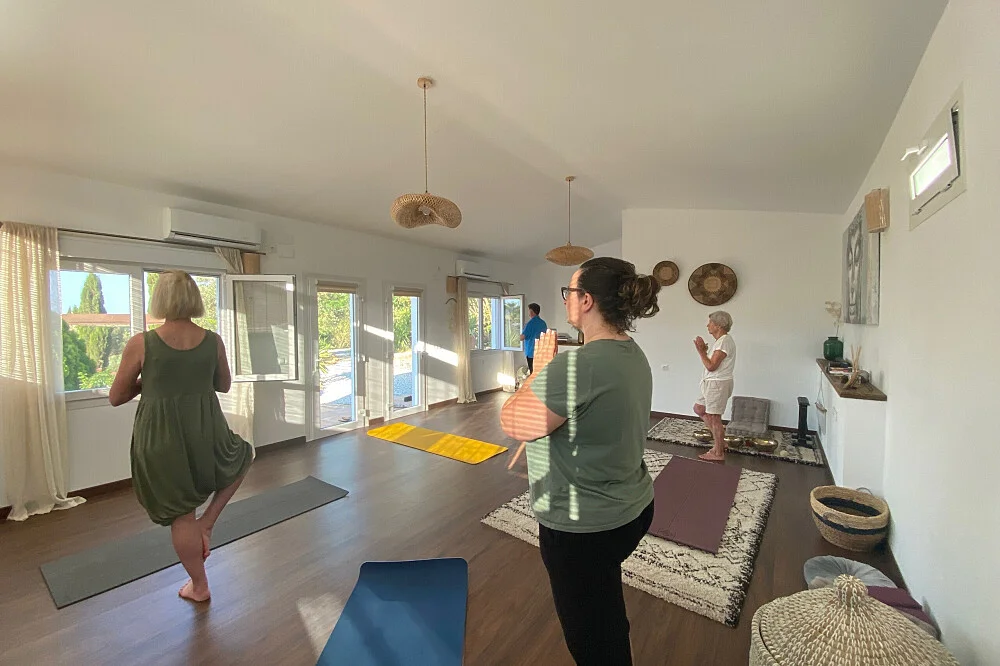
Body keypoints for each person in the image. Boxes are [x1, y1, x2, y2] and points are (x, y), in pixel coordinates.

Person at [500, 257, 660, 666]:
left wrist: (539, 370)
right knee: (604, 611)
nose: (566, 299)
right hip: (632, 508)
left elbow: (513, 423)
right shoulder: (633, 353)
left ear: (586, 300)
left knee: (592, 640)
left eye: (569, 291)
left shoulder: (577, 364)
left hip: (584, 527)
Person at [109, 270, 254, 603]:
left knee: (181, 516)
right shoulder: (213, 341)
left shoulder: (141, 343)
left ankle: (199, 585)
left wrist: (151, 381)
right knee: (243, 456)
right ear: (194, 299)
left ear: (160, 299)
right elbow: (223, 385)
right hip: (205, 427)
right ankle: (209, 521)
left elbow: (116, 396)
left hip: (160, 436)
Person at [693, 310, 736, 462]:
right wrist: (705, 351)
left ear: (718, 325)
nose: (707, 325)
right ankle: (721, 442)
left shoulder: (724, 341)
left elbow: (711, 366)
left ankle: (718, 453)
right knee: (699, 408)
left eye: (710, 323)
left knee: (714, 416)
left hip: (717, 384)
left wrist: (701, 352)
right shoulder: (721, 341)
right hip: (711, 382)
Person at [520, 302, 547, 373]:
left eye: (529, 311)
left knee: (533, 373)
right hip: (541, 352)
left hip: (531, 352)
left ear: (532, 312)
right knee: (540, 372)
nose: (529, 313)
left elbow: (522, 337)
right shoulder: (543, 323)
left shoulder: (530, 324)